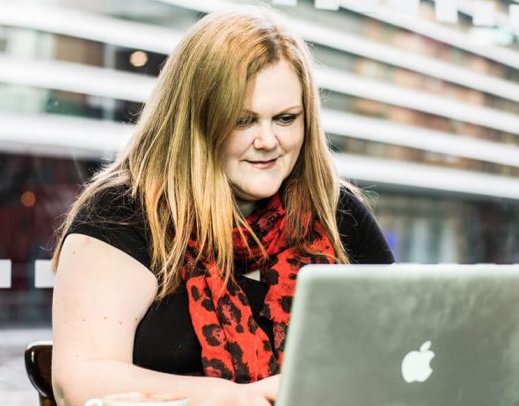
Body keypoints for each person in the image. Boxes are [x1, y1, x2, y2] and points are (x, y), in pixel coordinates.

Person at [50, 5, 394, 406]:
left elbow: (404, 347)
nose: (268, 141)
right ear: (195, 120)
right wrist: (239, 398)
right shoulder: (123, 213)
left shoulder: (336, 211)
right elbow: (80, 381)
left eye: (285, 119)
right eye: (243, 121)